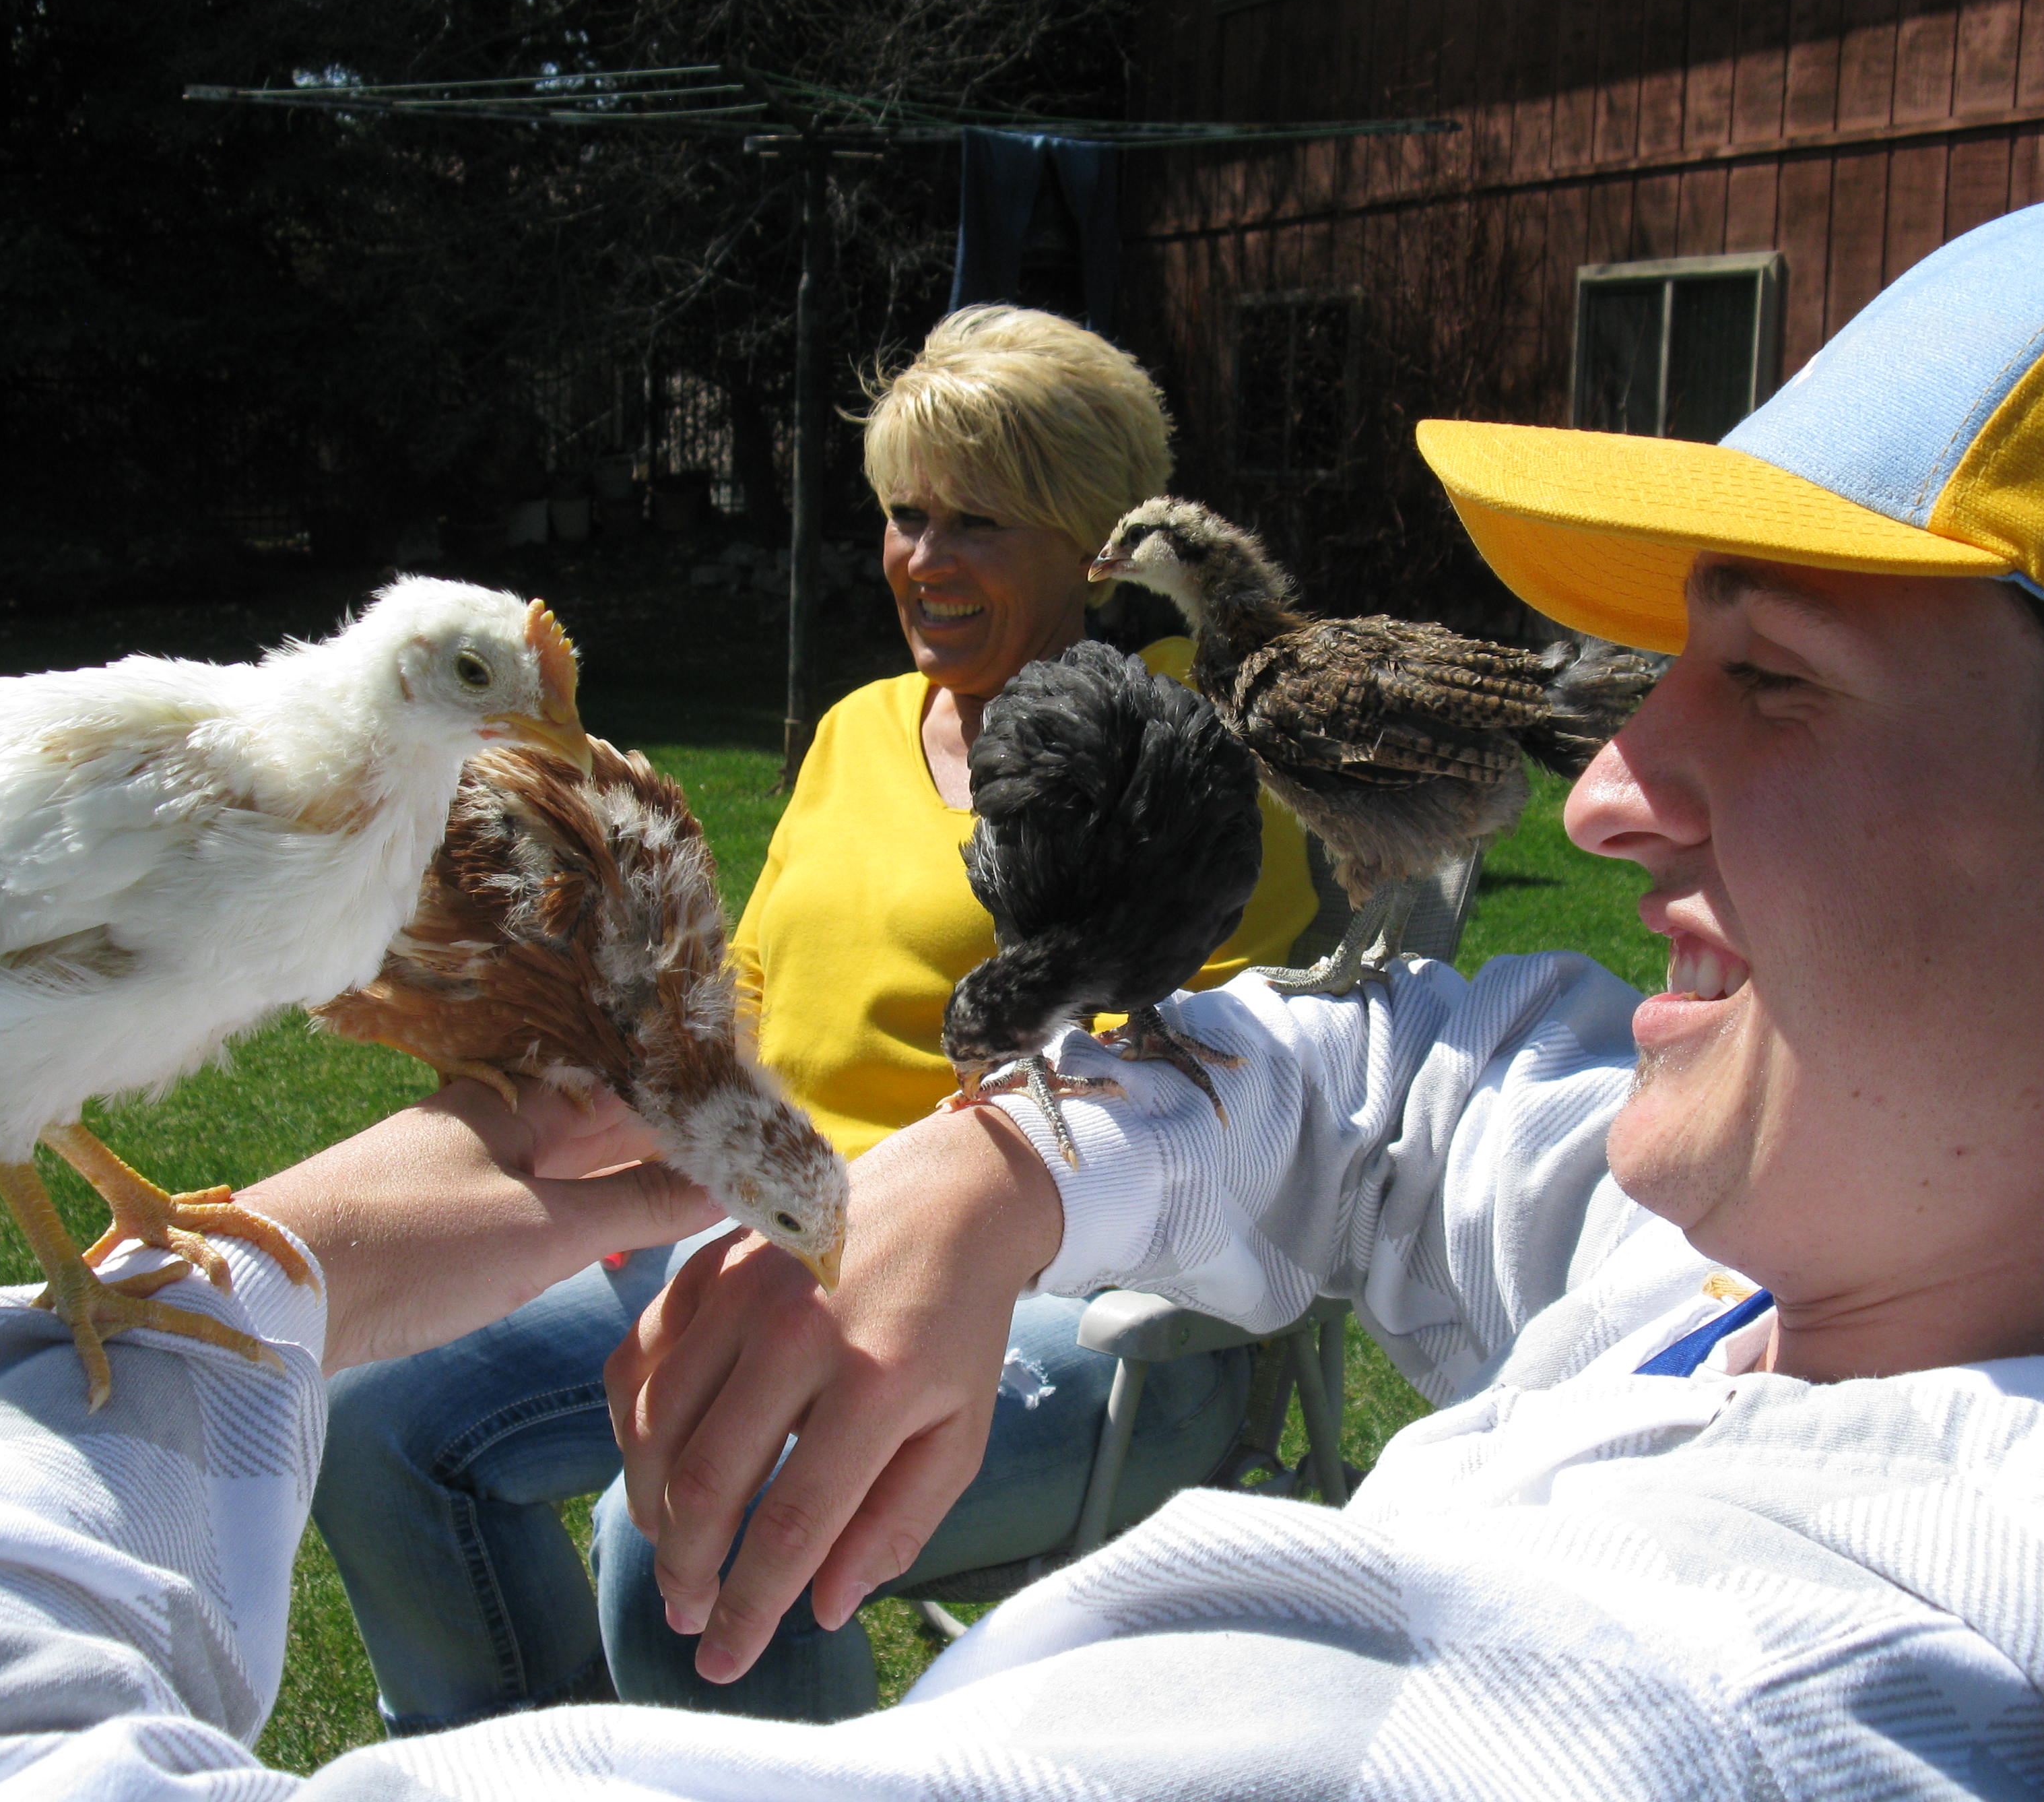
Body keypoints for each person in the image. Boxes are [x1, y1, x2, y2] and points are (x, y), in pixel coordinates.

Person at [0, 185, 2044, 1799]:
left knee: (689, 1518)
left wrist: (244, 1279)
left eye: (1773, 686)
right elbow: (1389, 1079)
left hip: (1046, 1330)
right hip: (808, 1218)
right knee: (447, 1432)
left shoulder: (1637, 1717)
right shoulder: (1830, 1260)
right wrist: (992, 1167)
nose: (1601, 798)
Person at [307, 303, 1318, 1733]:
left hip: (1063, 1302)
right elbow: (754, 1001)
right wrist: (625, 1118)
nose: (925, 559)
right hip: (759, 1237)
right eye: (907, 516)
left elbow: (1219, 1081)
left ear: (1091, 540)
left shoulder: (1182, 744)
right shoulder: (860, 729)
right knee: (379, 1416)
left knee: (698, 1505)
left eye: (979, 521)